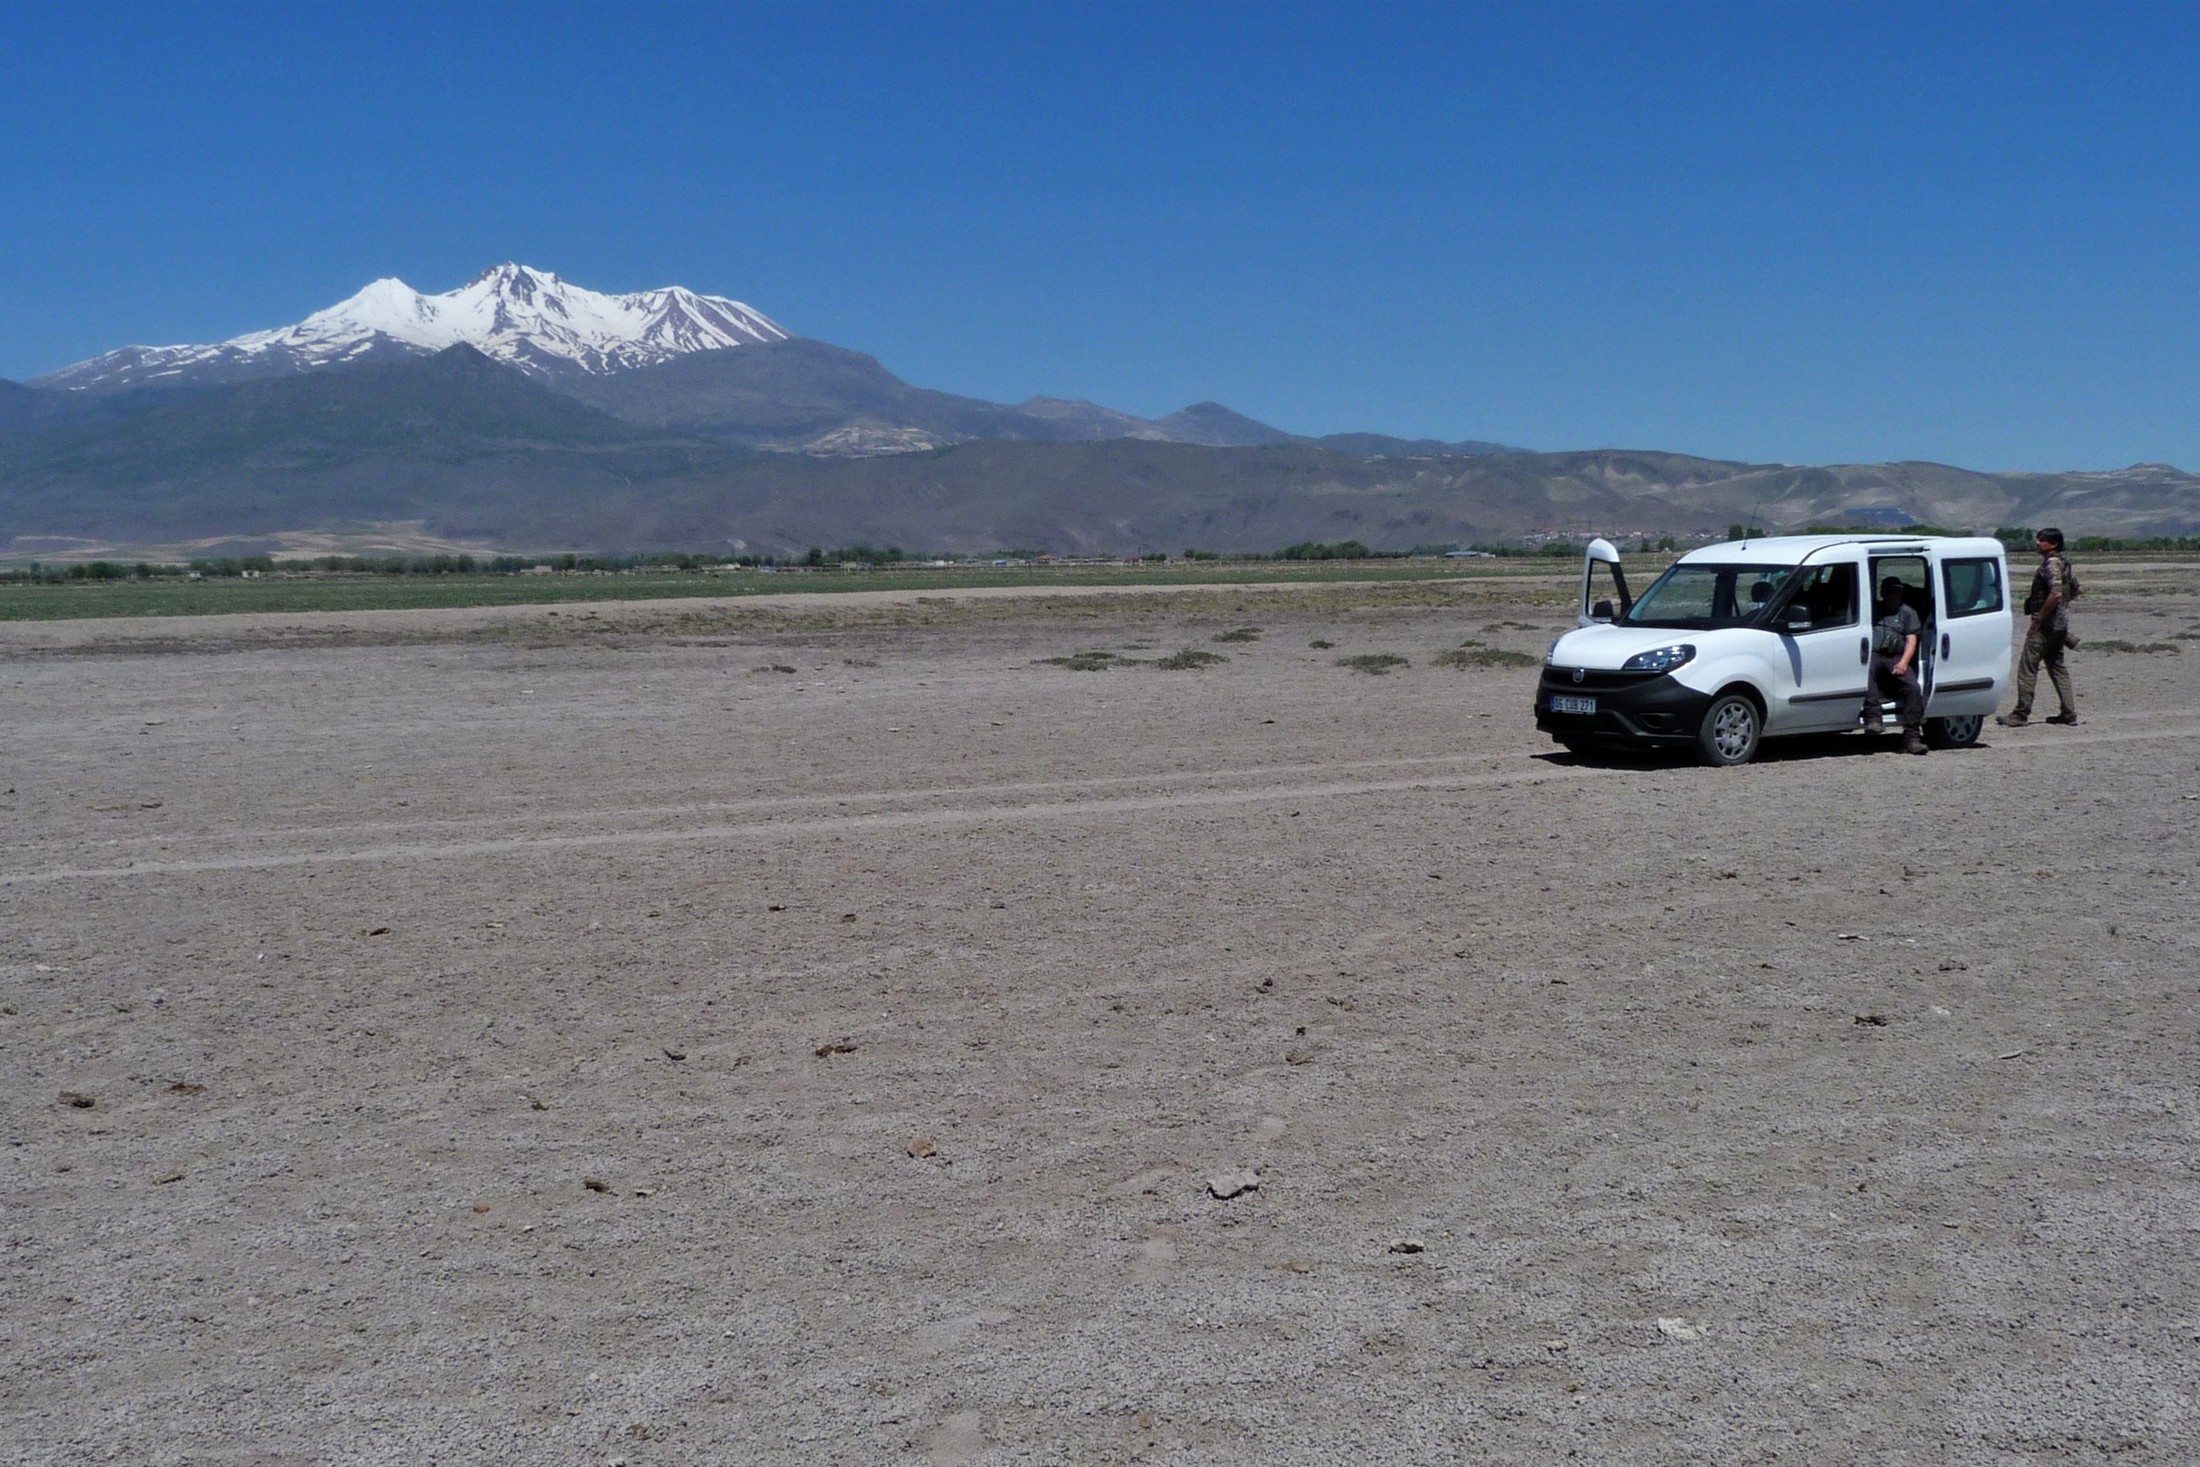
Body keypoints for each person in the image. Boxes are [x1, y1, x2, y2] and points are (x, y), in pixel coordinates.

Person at [1997, 528, 2078, 727]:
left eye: (2042, 541)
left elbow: (2056, 593)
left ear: (2053, 544)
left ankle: (2020, 713)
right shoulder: (2064, 564)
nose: (2037, 543)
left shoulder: (2051, 564)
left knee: (2028, 667)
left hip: (2045, 627)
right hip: (2060, 626)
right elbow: (2076, 589)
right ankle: (2068, 712)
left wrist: (2039, 618)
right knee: (2057, 668)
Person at [1867, 575, 1929, 754]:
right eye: (1888, 592)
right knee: (1866, 674)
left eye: (1896, 592)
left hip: (1896, 656)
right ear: (1882, 593)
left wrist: (1903, 663)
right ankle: (1874, 719)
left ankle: (1912, 738)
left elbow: (1911, 640)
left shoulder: (1908, 613)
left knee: (1913, 688)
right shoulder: (1873, 609)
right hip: (1873, 654)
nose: (1892, 595)